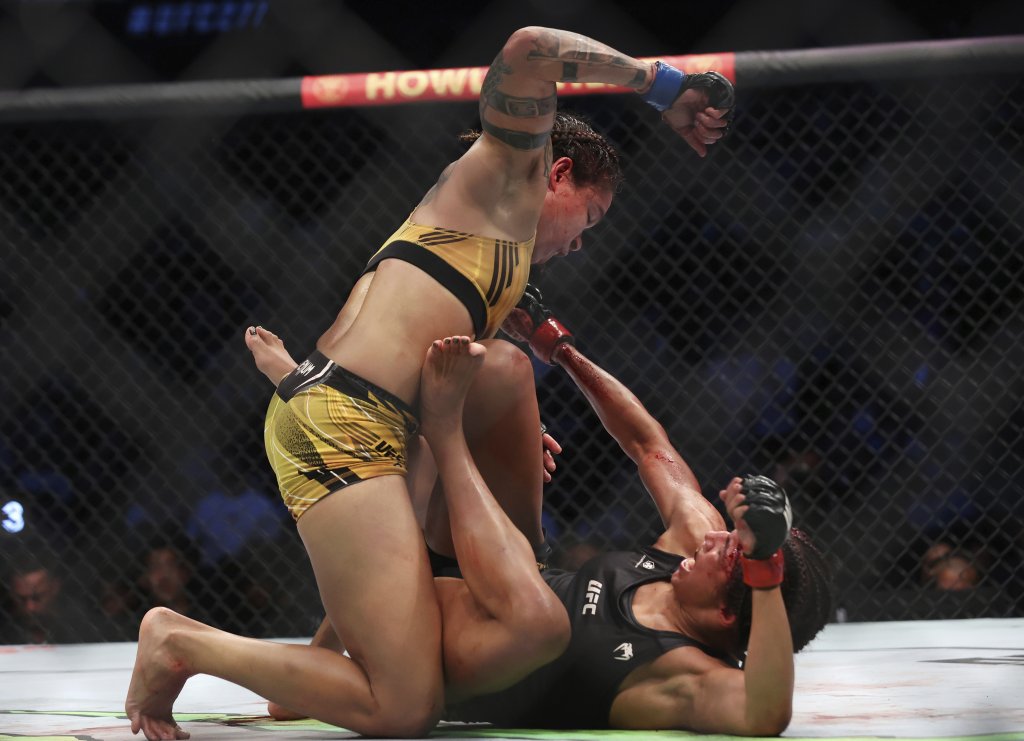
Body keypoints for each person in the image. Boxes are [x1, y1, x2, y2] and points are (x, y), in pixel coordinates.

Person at [125, 25, 734, 740]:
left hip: (376, 422)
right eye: (588, 219)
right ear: (559, 174)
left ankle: (329, 656)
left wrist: (500, 419)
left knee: (500, 374)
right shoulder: (508, 172)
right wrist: (662, 85)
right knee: (404, 708)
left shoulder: (502, 256)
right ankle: (178, 639)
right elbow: (529, 47)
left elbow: (454, 358)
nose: (578, 245)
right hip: (345, 425)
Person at [262, 286, 834, 734]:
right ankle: (341, 402)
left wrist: (765, 569)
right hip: (496, 564)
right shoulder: (690, 550)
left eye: (727, 555)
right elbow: (647, 444)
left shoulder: (680, 676)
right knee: (503, 369)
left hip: (441, 645)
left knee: (427, 447)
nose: (712, 538)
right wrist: (559, 350)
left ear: (729, 612)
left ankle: (332, 412)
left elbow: (763, 715)